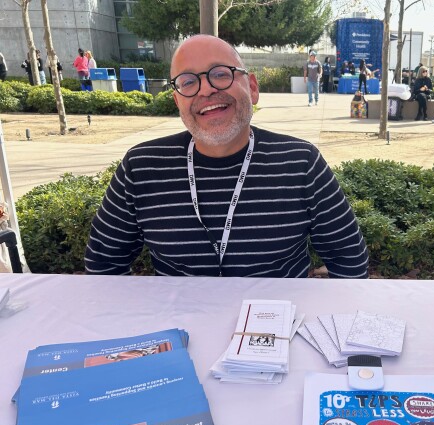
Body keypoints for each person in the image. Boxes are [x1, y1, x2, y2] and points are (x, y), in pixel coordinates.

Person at [85, 35, 369, 278]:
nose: (206, 89)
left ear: (252, 88)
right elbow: (103, 265)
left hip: (278, 332)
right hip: (181, 334)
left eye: (220, 73)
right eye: (187, 82)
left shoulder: (301, 162)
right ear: (177, 101)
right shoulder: (141, 167)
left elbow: (349, 261)